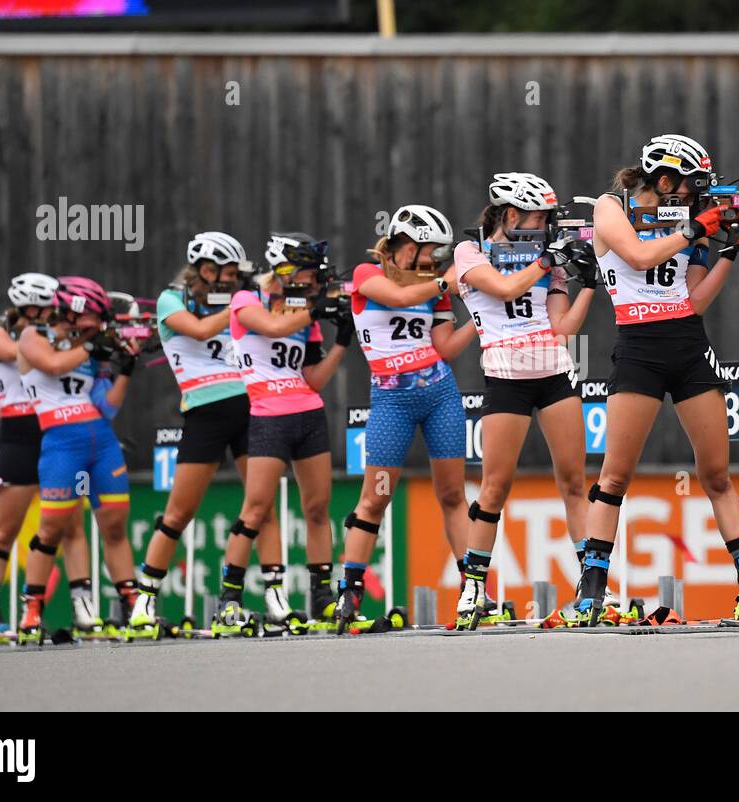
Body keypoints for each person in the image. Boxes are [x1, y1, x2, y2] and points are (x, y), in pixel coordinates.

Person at [577, 134, 739, 625]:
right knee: (615, 474)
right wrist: (695, 229)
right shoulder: (612, 207)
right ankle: (591, 586)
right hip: (637, 347)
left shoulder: (687, 220)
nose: (696, 198)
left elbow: (695, 300)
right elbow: (636, 256)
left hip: (688, 343)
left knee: (717, 473)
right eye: (690, 187)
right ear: (663, 179)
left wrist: (728, 251)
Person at [453, 172, 599, 627]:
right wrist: (545, 260)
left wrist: (590, 281)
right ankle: (473, 587)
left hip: (555, 371)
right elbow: (502, 289)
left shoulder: (545, 257)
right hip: (505, 378)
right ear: (511, 214)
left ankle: (593, 585)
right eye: (539, 217)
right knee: (495, 486)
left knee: (575, 482)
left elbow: (563, 328)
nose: (546, 226)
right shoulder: (469, 252)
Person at [128, 232, 280, 636]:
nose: (233, 280)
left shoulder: (239, 298)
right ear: (206, 270)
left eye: (236, 275)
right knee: (179, 513)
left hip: (250, 406)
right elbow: (196, 331)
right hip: (205, 414)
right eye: (227, 273)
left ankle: (274, 599)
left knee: (262, 507)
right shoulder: (170, 299)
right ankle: (143, 602)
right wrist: (242, 303)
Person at [336, 204, 476, 633]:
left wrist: (480, 318)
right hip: (392, 401)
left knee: (453, 494)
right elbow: (396, 297)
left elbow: (446, 349)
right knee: (375, 498)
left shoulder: (432, 286)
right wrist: (441, 282)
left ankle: (474, 589)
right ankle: (350, 594)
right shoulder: (366, 274)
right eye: (427, 251)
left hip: (440, 395)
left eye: (436, 255)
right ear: (403, 245)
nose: (432, 261)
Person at [216, 233, 351, 635]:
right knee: (255, 509)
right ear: (285, 269)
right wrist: (314, 311)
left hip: (307, 414)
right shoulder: (246, 300)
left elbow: (313, 379)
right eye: (308, 273)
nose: (312, 282)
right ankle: (229, 599)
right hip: (267, 415)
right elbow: (273, 328)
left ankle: (322, 598)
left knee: (316, 508)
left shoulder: (302, 312)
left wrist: (341, 341)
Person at [0, 273, 98, 639]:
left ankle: (83, 604)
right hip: (19, 437)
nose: (49, 315)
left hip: (56, 431)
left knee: (71, 526)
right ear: (24, 307)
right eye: (43, 309)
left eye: (52, 309)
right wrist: (74, 338)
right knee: (4, 530)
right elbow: (28, 355)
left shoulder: (53, 336)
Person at [15, 276, 141, 642]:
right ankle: (32, 610)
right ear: (72, 312)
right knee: (52, 529)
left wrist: (125, 369)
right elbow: (53, 365)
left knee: (115, 526)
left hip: (101, 440)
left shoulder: (88, 346)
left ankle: (133, 605)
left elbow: (108, 406)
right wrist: (94, 346)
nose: (98, 325)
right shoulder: (32, 336)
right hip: (61, 442)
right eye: (94, 318)